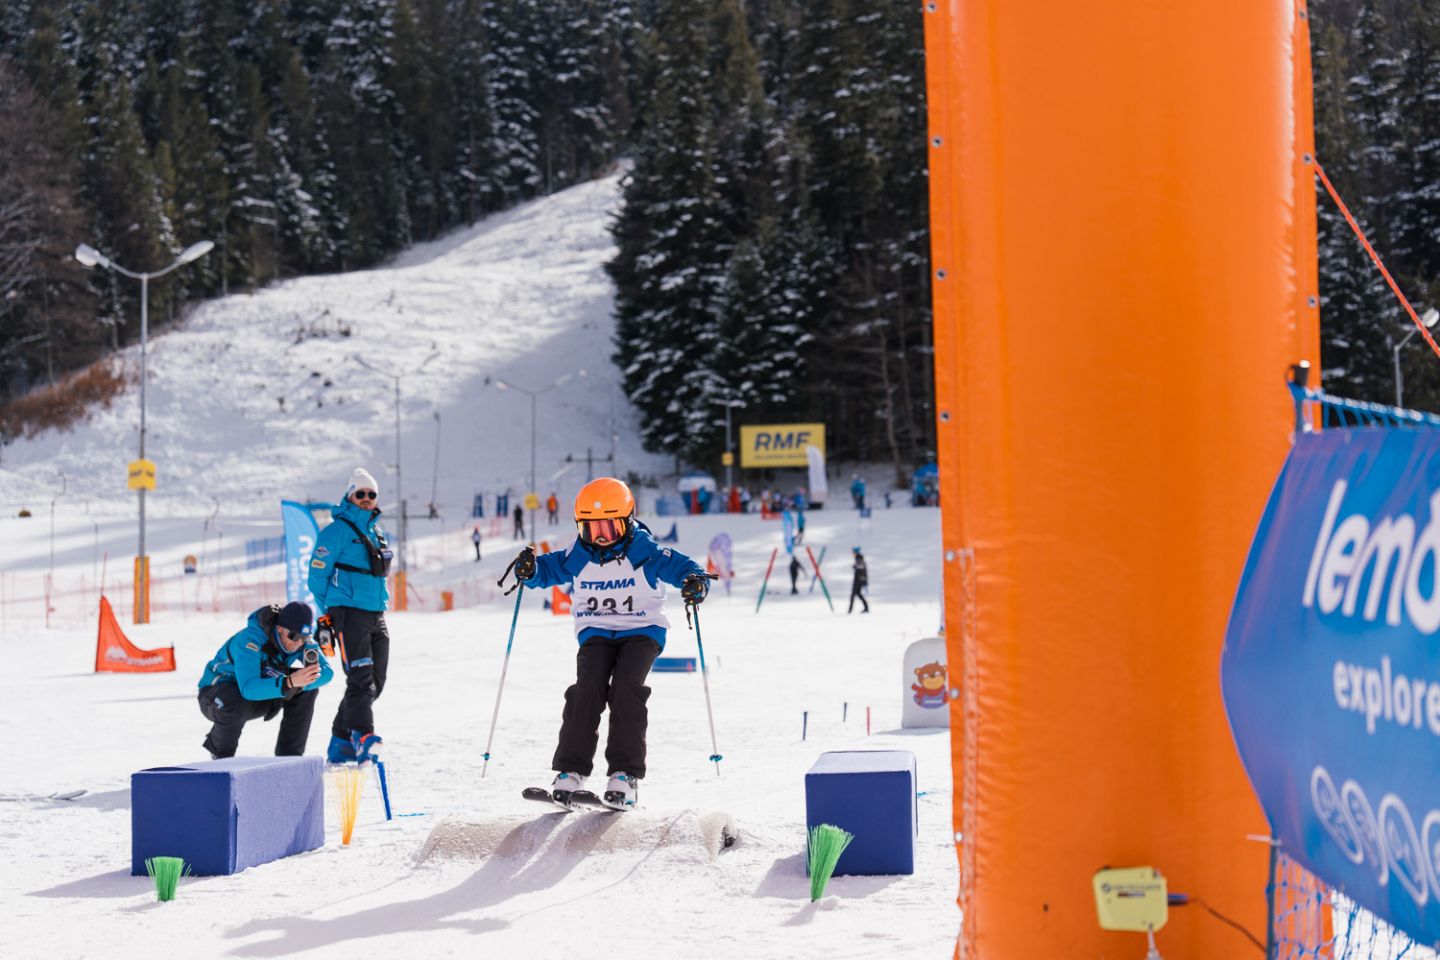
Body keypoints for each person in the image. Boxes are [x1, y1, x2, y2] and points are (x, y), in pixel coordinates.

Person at [509, 477, 708, 809]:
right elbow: (547, 570)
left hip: (642, 630)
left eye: (609, 528)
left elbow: (685, 567)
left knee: (626, 689)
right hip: (596, 631)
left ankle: (624, 776)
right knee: (586, 691)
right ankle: (570, 772)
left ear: (627, 522)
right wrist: (528, 570)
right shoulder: (578, 554)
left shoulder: (644, 551)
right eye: (592, 529)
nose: (601, 538)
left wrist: (694, 582)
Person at [309, 468, 392, 764]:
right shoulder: (336, 532)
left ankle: (341, 740)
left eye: (372, 494)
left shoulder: (376, 532)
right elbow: (316, 577)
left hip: (376, 612)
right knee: (360, 677)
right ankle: (363, 735)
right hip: (348, 612)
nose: (367, 498)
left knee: (376, 681)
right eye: (361, 493)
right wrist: (328, 614)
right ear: (349, 496)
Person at [197, 601, 333, 759]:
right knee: (233, 703)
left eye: (304, 637)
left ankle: (289, 757)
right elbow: (249, 689)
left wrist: (299, 683)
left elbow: (327, 672)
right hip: (216, 696)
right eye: (294, 636)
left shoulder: (302, 642)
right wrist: (289, 683)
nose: (298, 643)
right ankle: (221, 757)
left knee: (307, 687)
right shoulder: (249, 640)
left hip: (261, 690)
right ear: (280, 628)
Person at [848, 546, 870, 614]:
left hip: (858, 580)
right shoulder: (859, 558)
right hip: (860, 580)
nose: (852, 553)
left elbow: (861, 567)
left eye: (853, 552)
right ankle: (866, 607)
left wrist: (855, 566)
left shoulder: (859, 558)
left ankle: (850, 610)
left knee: (853, 594)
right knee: (858, 594)